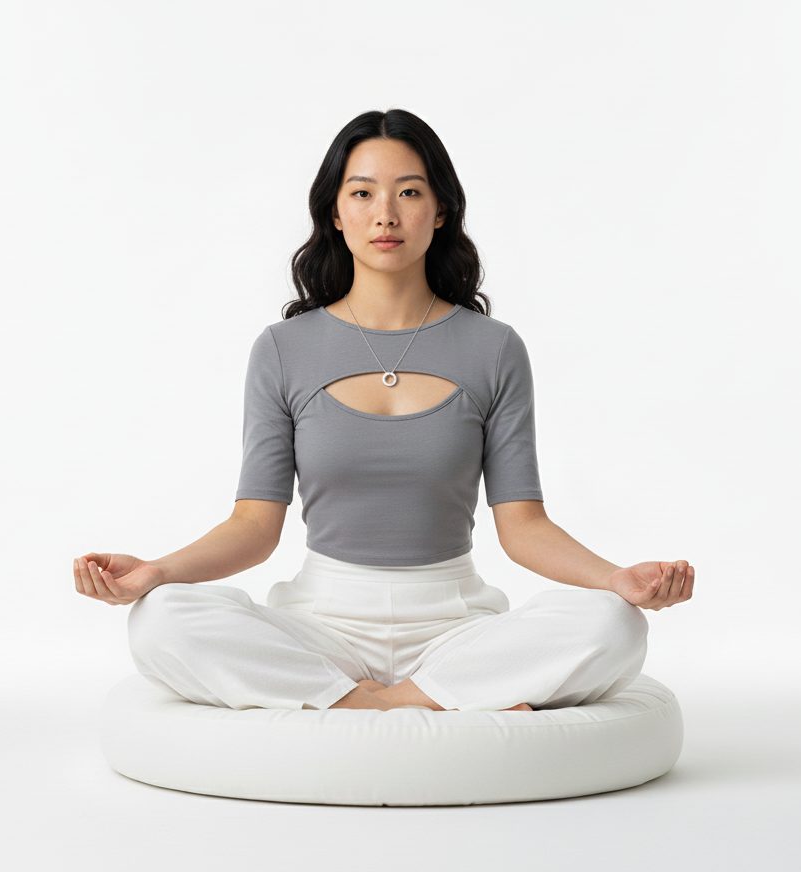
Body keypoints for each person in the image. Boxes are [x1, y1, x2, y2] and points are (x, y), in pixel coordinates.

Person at [73, 109, 694, 713]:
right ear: (335, 214)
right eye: (363, 193)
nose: (386, 215)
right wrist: (155, 571)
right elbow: (254, 526)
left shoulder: (495, 348)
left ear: (440, 210)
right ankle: (419, 703)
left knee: (615, 624)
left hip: (456, 627)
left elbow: (523, 525)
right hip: (321, 625)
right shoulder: (282, 350)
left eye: (409, 192)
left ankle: (373, 703)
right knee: (160, 619)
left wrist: (618, 580)